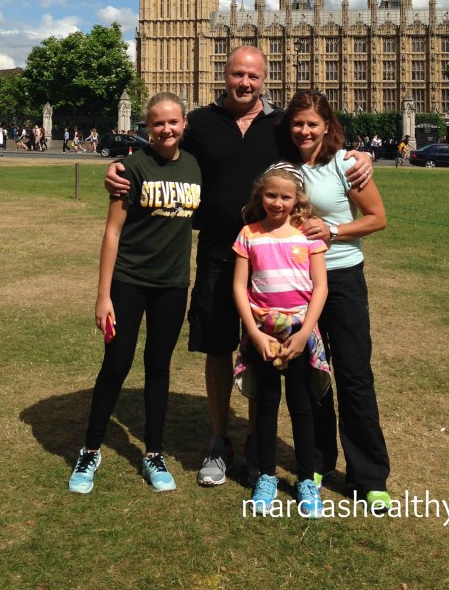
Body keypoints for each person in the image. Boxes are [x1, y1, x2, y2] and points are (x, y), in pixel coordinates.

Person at [105, 45, 373, 489]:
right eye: (237, 75)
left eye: (253, 76)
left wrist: (358, 155)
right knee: (217, 346)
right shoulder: (202, 124)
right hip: (216, 252)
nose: (244, 83)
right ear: (224, 75)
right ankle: (218, 439)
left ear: (264, 79)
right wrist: (119, 167)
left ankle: (254, 439)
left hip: (271, 260)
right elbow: (160, 151)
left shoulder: (281, 126)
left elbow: (318, 141)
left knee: (261, 349)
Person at [68, 93, 202, 495]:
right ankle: (91, 449)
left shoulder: (196, 167)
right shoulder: (131, 167)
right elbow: (112, 233)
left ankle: (153, 452)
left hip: (173, 284)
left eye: (173, 122)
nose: (166, 129)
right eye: (158, 123)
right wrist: (102, 295)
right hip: (129, 281)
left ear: (184, 124)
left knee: (159, 366)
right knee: (116, 363)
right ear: (147, 126)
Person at [284, 90, 391, 511]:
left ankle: (369, 476)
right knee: (309, 374)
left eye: (312, 123)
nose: (305, 130)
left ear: (328, 125)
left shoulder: (346, 163)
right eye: (298, 123)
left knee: (353, 373)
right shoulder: (282, 165)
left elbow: (378, 219)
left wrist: (333, 232)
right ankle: (316, 460)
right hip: (297, 280)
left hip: (342, 276)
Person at [232, 163, 329, 518]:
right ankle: (268, 475)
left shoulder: (308, 235)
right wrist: (254, 333)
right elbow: (239, 288)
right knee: (268, 404)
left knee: (302, 406)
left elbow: (320, 287)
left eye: (285, 197)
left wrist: (305, 333)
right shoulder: (249, 234)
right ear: (261, 196)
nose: (277, 202)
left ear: (297, 200)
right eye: (270, 195)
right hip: (264, 332)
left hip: (300, 332)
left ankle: (305, 478)